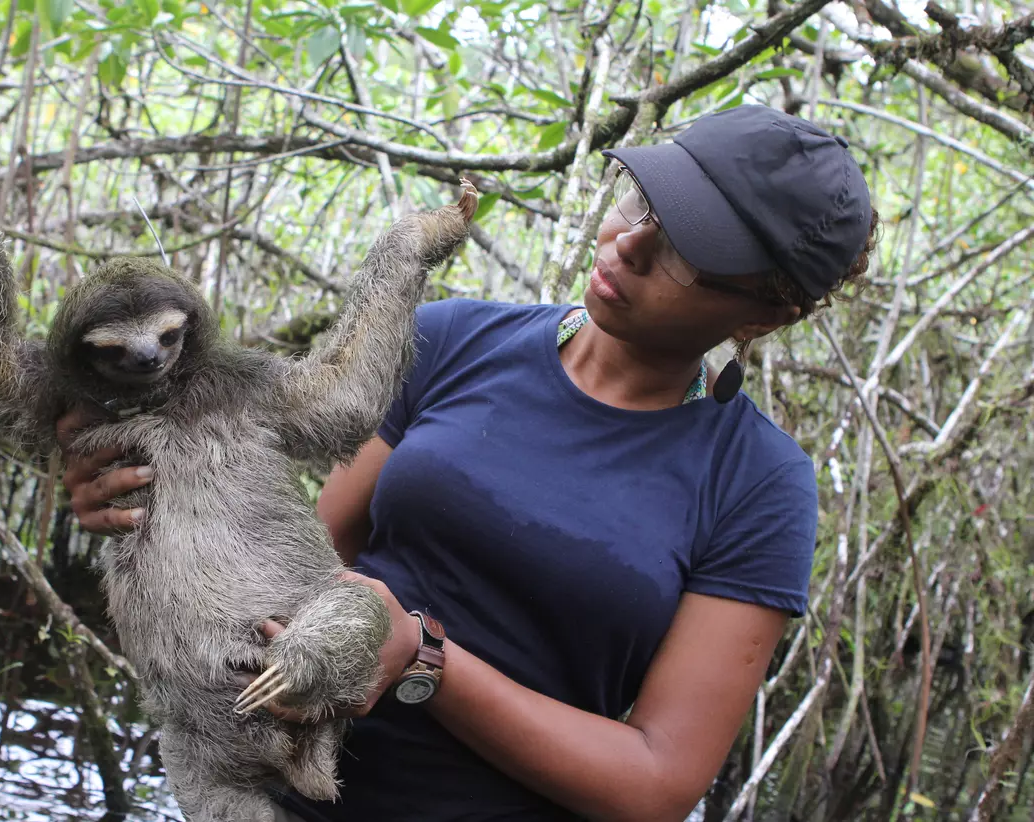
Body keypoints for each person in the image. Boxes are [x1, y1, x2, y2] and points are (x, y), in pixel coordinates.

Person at [56, 104, 879, 822]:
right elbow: (310, 559)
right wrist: (153, 505)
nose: (628, 244)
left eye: (684, 251)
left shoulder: (761, 486)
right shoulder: (453, 340)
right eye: (640, 200)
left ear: (768, 312)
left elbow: (658, 783)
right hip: (279, 795)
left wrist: (423, 661)